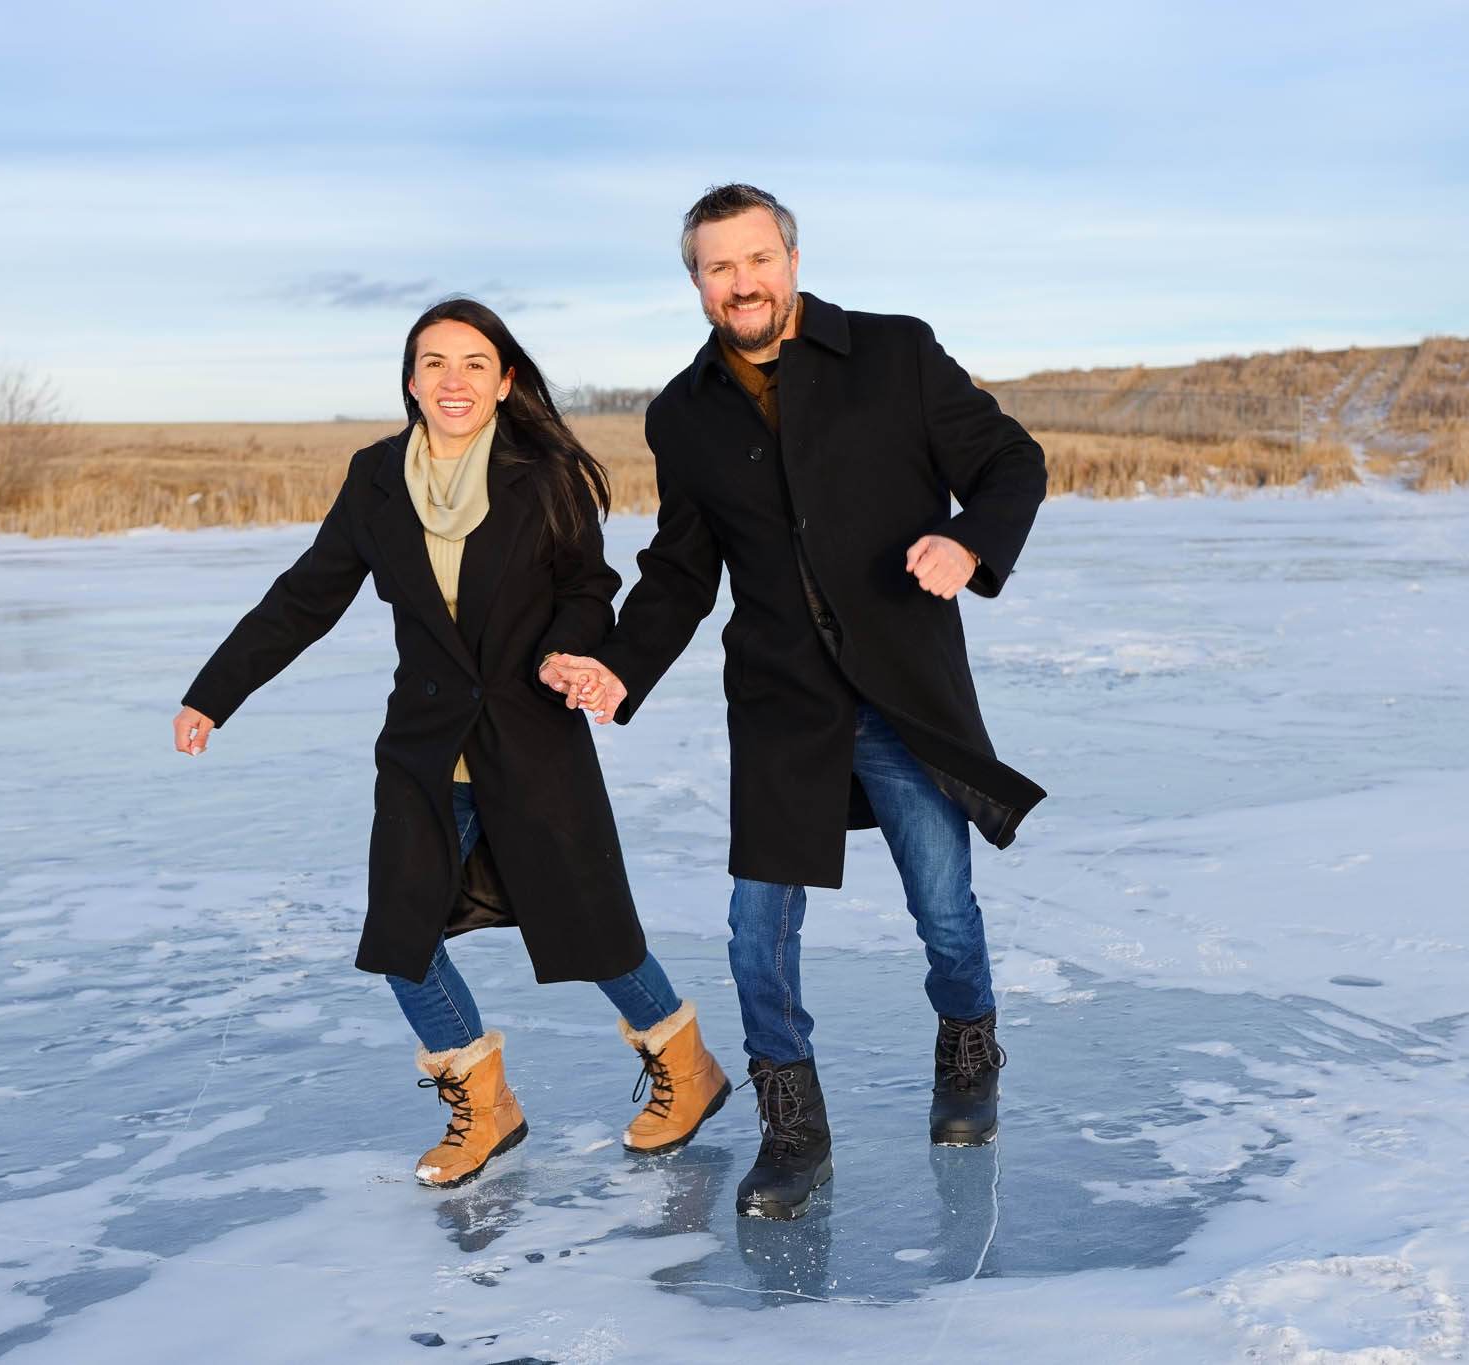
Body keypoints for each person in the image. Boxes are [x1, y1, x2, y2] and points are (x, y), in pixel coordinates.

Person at [544, 185, 1047, 1219]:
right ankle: (793, 1127)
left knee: (943, 908)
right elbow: (681, 571)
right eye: (718, 267)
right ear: (696, 283)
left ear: (793, 259)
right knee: (754, 933)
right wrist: (620, 665)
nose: (742, 283)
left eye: (757, 259)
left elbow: (1011, 461)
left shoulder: (894, 353)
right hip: (781, 702)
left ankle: (967, 1047)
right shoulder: (683, 413)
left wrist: (968, 541)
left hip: (902, 689)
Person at [172, 297, 730, 1189]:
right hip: (427, 747)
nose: (453, 380)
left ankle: (688, 1066)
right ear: (411, 381)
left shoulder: (543, 473)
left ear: (505, 382)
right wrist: (215, 692)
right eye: (434, 362)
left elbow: (588, 586)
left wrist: (569, 651)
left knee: (593, 928)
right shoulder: (376, 478)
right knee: (402, 936)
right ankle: (484, 1101)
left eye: (474, 363)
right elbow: (307, 595)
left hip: (529, 734)